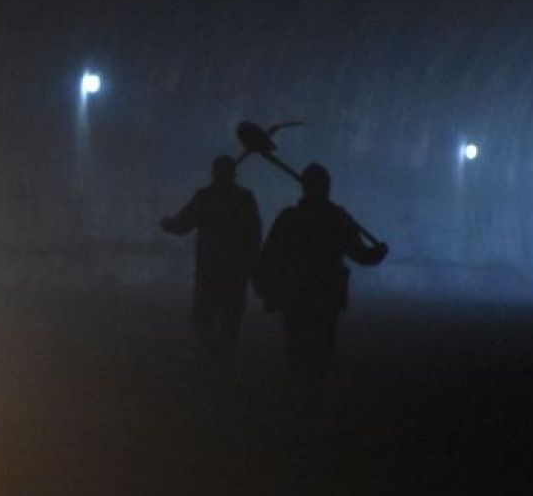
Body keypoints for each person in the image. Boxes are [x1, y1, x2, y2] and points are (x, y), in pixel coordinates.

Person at [254, 163, 388, 416]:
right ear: (327, 188)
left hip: (296, 293)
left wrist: (262, 284)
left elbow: (268, 256)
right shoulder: (336, 218)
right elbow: (361, 255)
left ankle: (303, 397)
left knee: (297, 346)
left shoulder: (290, 217)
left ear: (304, 187)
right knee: (321, 347)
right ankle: (313, 397)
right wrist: (378, 253)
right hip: (325, 295)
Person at [161, 155, 262, 361]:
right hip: (235, 271)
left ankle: (214, 352)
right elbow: (254, 234)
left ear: (214, 173)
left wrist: (169, 225)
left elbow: (183, 223)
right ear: (233, 174)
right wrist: (250, 262)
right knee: (230, 318)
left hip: (210, 269)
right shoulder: (244, 198)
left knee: (204, 315)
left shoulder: (206, 196)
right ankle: (224, 356)